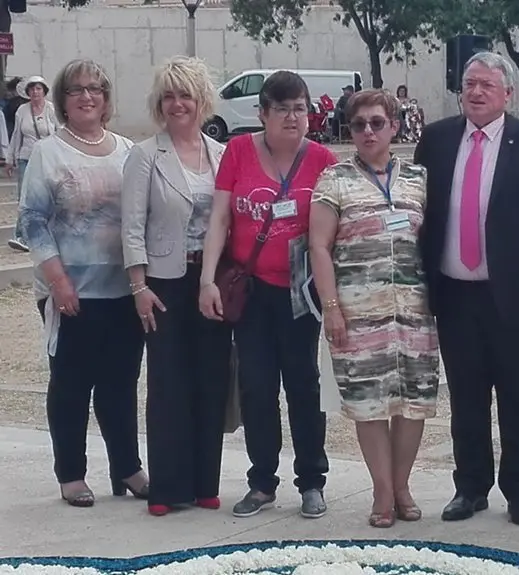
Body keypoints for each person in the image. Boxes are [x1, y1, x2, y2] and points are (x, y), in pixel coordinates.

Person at [414, 51, 519, 527]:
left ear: (509, 93)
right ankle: (470, 488)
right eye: (469, 84)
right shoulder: (437, 140)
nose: (476, 92)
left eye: (486, 84)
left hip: (517, 297)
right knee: (466, 397)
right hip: (455, 294)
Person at [198, 71, 338, 519]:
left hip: (301, 292)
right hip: (252, 289)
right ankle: (262, 481)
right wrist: (206, 279)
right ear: (262, 114)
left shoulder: (322, 160)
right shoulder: (238, 151)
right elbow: (220, 218)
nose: (293, 117)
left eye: (300, 108)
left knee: (304, 386)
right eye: (282, 109)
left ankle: (312, 480)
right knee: (257, 386)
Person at [19, 58, 148, 507]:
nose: (86, 96)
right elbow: (32, 222)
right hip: (71, 292)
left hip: (123, 291)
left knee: (121, 383)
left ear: (106, 98)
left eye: (95, 88)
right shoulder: (48, 153)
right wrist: (58, 281)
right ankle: (71, 473)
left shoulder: (128, 149)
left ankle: (127, 468)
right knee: (72, 384)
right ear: (63, 100)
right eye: (76, 90)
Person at [310, 88, 440, 528]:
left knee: (412, 402)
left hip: (414, 312)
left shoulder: (418, 178)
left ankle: (402, 484)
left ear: (394, 127)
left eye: (377, 123)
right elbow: (319, 247)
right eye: (359, 124)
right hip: (358, 313)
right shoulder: (334, 179)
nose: (368, 131)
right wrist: (331, 308)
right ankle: (381, 490)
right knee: (369, 404)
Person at [121, 56, 233, 517]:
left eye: (184, 94)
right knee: (168, 384)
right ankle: (167, 487)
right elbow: (131, 226)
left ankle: (205, 482)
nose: (176, 103)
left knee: (211, 379)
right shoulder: (146, 155)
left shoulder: (222, 155)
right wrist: (138, 286)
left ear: (201, 100)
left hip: (211, 282)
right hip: (163, 283)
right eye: (168, 95)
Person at [6, 75, 57, 253]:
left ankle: (47, 233)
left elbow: (59, 133)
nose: (35, 92)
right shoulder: (22, 110)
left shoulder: (51, 109)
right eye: (32, 89)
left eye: (38, 89)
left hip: (48, 159)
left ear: (44, 91)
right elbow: (16, 136)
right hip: (26, 157)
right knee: (25, 197)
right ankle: (20, 235)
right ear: (27, 92)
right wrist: (10, 158)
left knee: (48, 197)